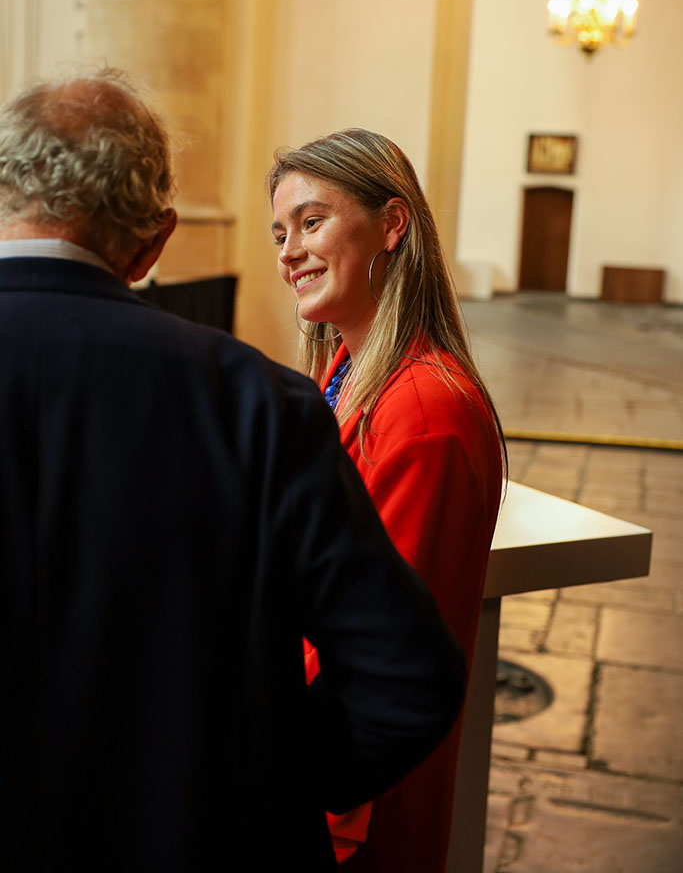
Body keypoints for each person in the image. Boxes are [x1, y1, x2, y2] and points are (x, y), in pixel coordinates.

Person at [0, 73, 468, 872]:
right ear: (154, 242)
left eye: (310, 222)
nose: (290, 251)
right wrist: (266, 781)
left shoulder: (403, 401)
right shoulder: (256, 401)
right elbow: (405, 674)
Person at [269, 128, 506, 872]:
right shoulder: (347, 376)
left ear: (392, 224)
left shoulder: (424, 412)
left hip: (356, 804)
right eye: (280, 233)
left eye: (311, 222)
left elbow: (375, 649)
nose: (289, 251)